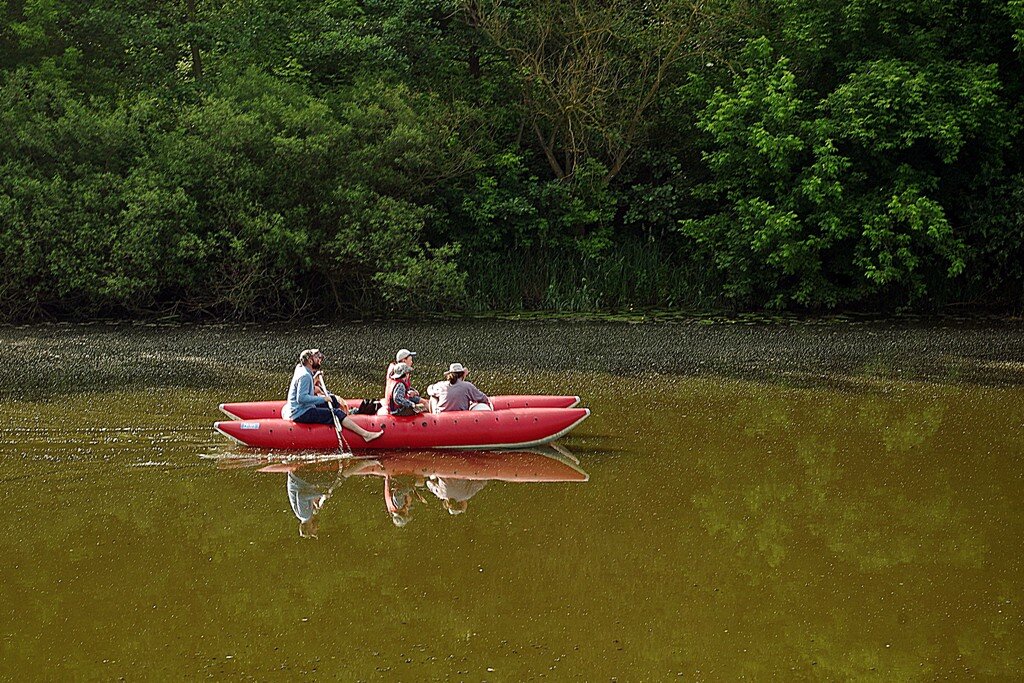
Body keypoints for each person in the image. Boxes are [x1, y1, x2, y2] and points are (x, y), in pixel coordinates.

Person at [284, 349, 383, 442]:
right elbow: (301, 398)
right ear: (310, 361)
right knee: (336, 413)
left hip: (303, 408)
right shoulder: (305, 376)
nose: (318, 359)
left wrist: (315, 378)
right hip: (301, 412)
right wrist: (322, 399)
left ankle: (348, 416)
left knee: (333, 400)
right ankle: (366, 435)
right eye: (315, 358)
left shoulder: (301, 368)